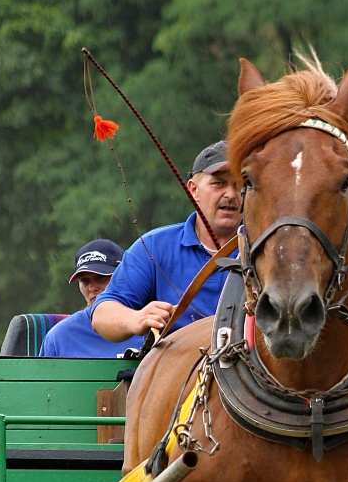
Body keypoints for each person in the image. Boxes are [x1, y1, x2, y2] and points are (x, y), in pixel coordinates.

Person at [90, 141, 242, 342]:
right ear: (193, 190)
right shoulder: (154, 247)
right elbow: (102, 313)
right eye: (219, 184)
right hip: (177, 369)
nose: (231, 194)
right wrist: (136, 318)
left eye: (240, 184)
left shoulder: (270, 246)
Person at [39, 240, 143, 358]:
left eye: (100, 277)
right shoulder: (58, 338)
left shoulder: (149, 327)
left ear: (123, 277)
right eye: (85, 280)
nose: (92, 288)